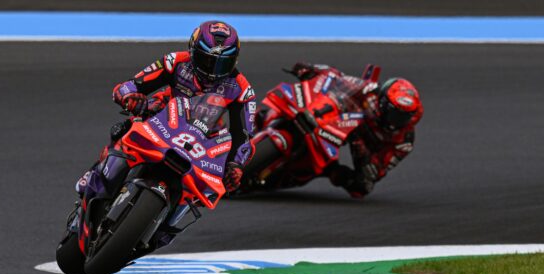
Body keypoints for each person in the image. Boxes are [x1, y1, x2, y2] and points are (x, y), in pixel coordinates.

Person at [77, 20, 257, 197]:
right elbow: (128, 86)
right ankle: (97, 173)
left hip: (200, 141)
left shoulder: (242, 90)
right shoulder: (175, 62)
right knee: (122, 129)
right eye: (206, 60)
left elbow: (245, 137)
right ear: (193, 51)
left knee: (215, 185)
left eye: (222, 64)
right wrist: (129, 98)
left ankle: (181, 206)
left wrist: (236, 166)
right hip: (160, 120)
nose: (212, 72)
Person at [260, 62, 423, 198]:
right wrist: (311, 70)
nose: (395, 119)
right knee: (270, 110)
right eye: (393, 112)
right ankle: (261, 120)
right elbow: (337, 77)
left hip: (355, 144)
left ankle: (313, 171)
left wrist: (362, 152)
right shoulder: (369, 91)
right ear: (382, 100)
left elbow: (377, 171)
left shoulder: (403, 141)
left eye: (402, 117)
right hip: (331, 118)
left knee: (360, 187)